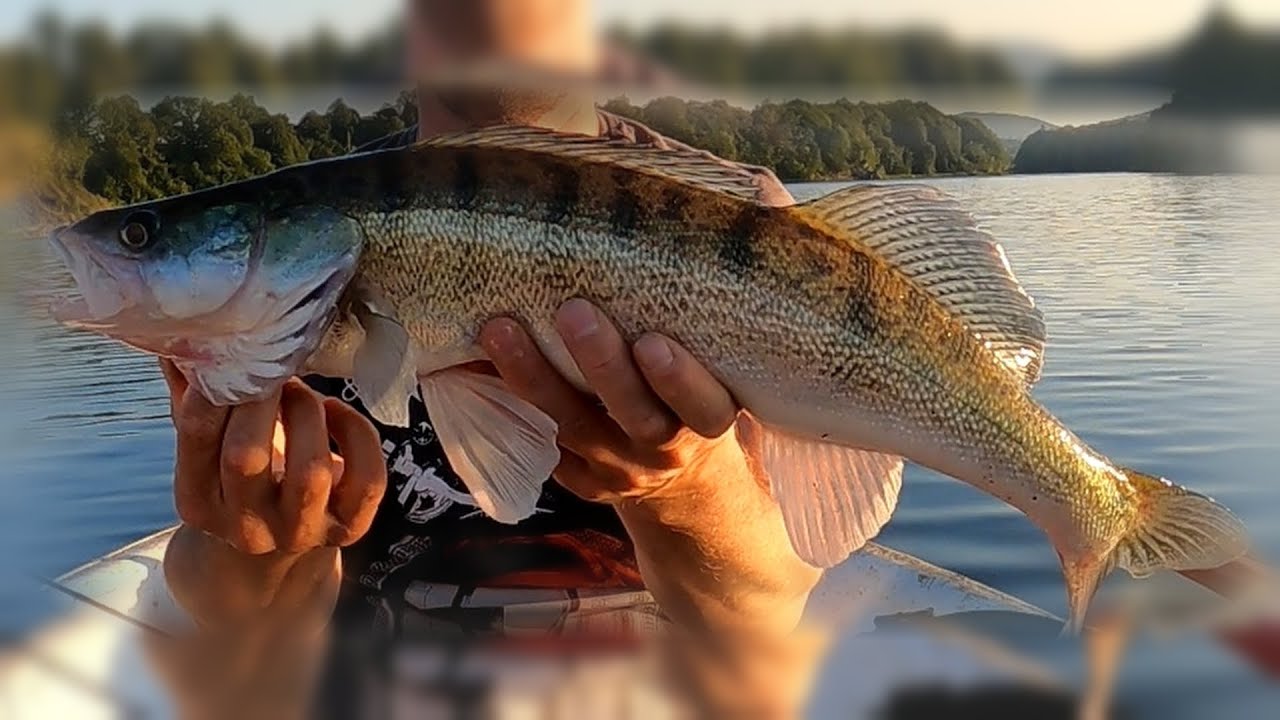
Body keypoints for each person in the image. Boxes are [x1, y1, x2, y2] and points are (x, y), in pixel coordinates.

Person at [157, 0, 821, 716]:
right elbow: (245, 622)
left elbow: (760, 618)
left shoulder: (748, 225)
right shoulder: (296, 242)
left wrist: (684, 485)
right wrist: (263, 536)